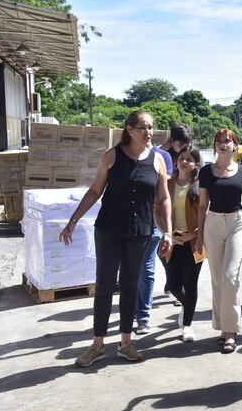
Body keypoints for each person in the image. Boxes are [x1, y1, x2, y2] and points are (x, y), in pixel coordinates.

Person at [62, 110, 172, 367]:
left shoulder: (157, 160)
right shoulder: (112, 156)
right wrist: (73, 220)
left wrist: (167, 230)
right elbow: (94, 191)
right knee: (105, 285)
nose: (149, 132)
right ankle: (98, 345)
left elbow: (164, 197)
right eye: (143, 127)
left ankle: (125, 343)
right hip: (109, 230)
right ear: (130, 129)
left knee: (131, 286)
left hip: (141, 231)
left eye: (151, 127)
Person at [195, 129, 242, 354]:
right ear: (215, 146)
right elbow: (202, 206)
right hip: (212, 224)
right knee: (217, 278)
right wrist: (198, 236)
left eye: (228, 141)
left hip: (237, 223)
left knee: (229, 276)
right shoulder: (206, 172)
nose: (223, 145)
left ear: (235, 146)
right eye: (219, 142)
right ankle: (222, 328)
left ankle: (231, 331)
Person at [160, 145, 203, 342]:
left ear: (195, 165)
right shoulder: (167, 184)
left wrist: (191, 235)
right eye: (181, 158)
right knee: (173, 284)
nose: (184, 161)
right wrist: (166, 233)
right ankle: (188, 306)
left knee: (190, 284)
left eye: (189, 159)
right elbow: (156, 211)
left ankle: (187, 325)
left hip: (194, 242)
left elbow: (206, 214)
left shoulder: (200, 186)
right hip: (172, 241)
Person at [134, 137, 174, 334]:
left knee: (147, 270)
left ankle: (143, 315)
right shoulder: (123, 158)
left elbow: (165, 195)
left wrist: (167, 229)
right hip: (128, 226)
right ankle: (133, 310)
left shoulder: (162, 158)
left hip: (152, 224)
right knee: (132, 270)